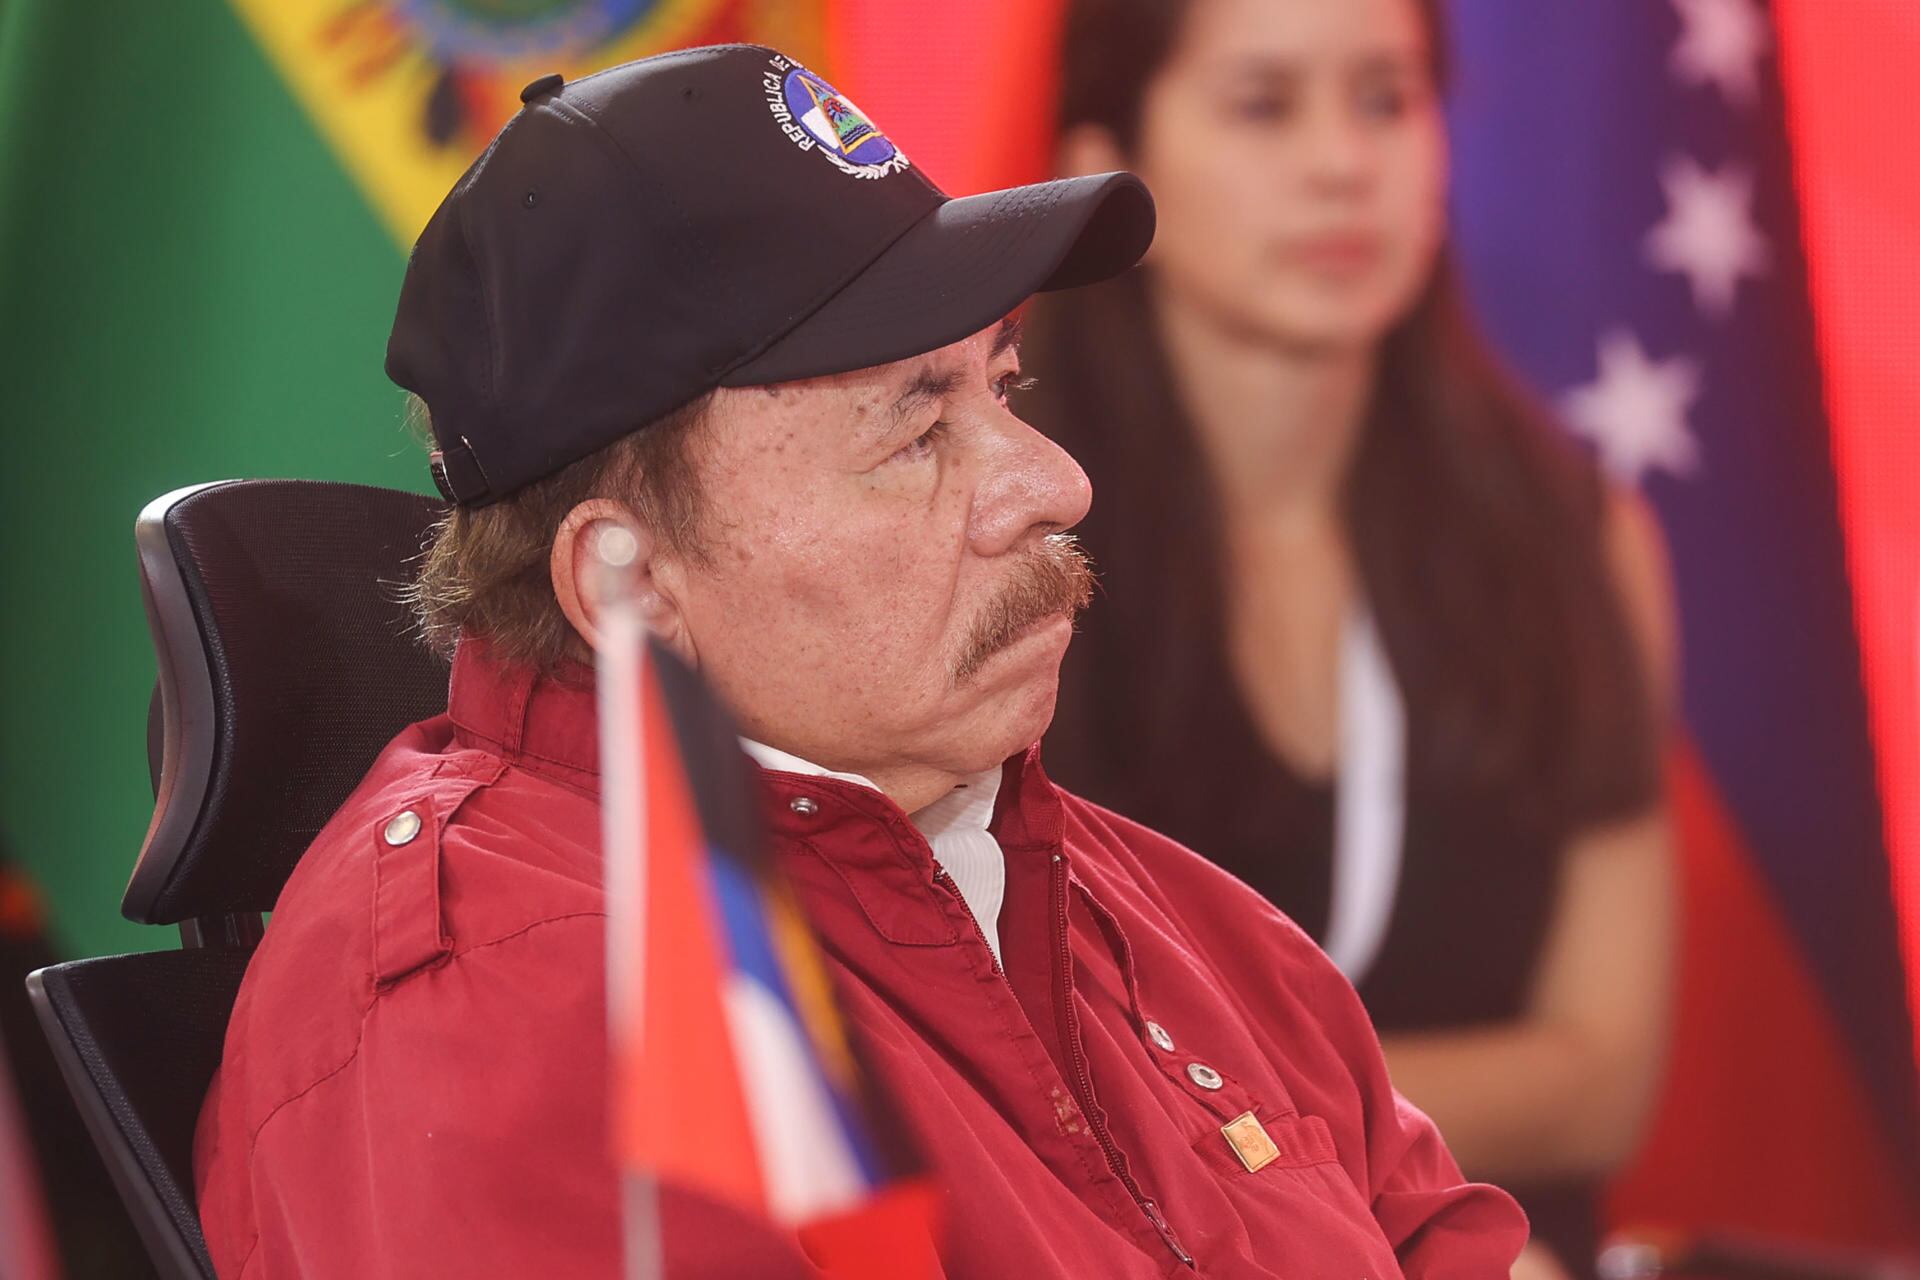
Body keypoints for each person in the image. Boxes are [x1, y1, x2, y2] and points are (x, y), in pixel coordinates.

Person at [192, 44, 1526, 1278]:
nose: (1053, 485)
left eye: (1002, 390)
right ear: (632, 582)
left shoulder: (1160, 910)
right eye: (913, 433)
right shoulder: (504, 1023)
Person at [1021, 1, 1677, 1277]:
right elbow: (992, 1060)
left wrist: (1274, 1144)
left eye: (1386, 98)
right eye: (1265, 105)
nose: (1342, 162)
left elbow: (1603, 1074)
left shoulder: (1576, 536)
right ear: (1102, 164)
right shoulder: (992, 549)